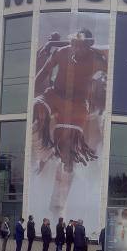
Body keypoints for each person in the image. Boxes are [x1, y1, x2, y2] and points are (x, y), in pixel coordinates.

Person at [31, 29, 108, 222]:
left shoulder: (96, 59)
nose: (76, 48)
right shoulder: (61, 52)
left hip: (77, 105)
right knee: (36, 109)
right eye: (74, 43)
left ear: (88, 46)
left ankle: (57, 204)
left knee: (68, 157)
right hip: (55, 94)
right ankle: (43, 154)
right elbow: (44, 73)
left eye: (81, 45)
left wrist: (96, 48)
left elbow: (113, 56)